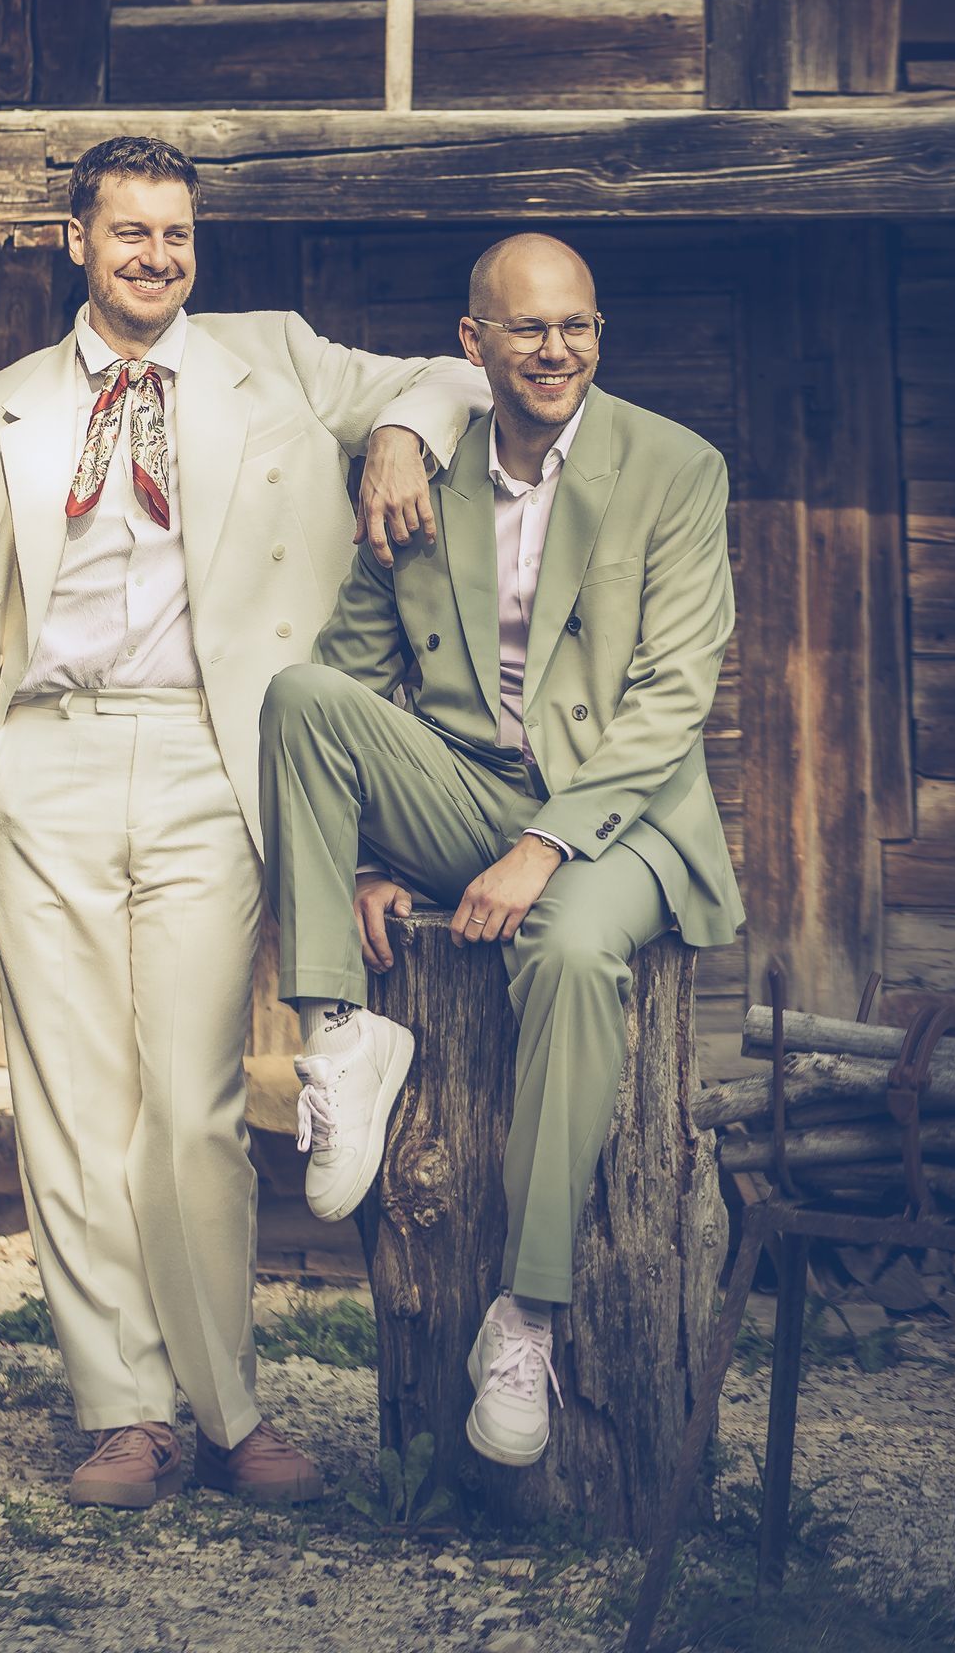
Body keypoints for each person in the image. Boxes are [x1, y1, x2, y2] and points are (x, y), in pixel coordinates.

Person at [0, 134, 487, 1509]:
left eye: (177, 235)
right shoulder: (0, 411)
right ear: (75, 243)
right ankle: (125, 1413)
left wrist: (394, 433)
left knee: (198, 1105)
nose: (156, 256)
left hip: (217, 762)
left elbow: (450, 372)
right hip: (50, 761)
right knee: (76, 1105)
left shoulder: (264, 356)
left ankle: (229, 1410)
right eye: (129, 232)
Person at [260, 230, 743, 1467]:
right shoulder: (424, 482)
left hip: (619, 817)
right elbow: (354, 682)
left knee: (577, 953)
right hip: (467, 789)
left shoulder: (676, 468)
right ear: (472, 346)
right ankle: (336, 1038)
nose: (557, 349)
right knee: (298, 701)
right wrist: (368, 854)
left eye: (577, 324)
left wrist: (544, 843)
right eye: (528, 328)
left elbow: (673, 700)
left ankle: (526, 1314)